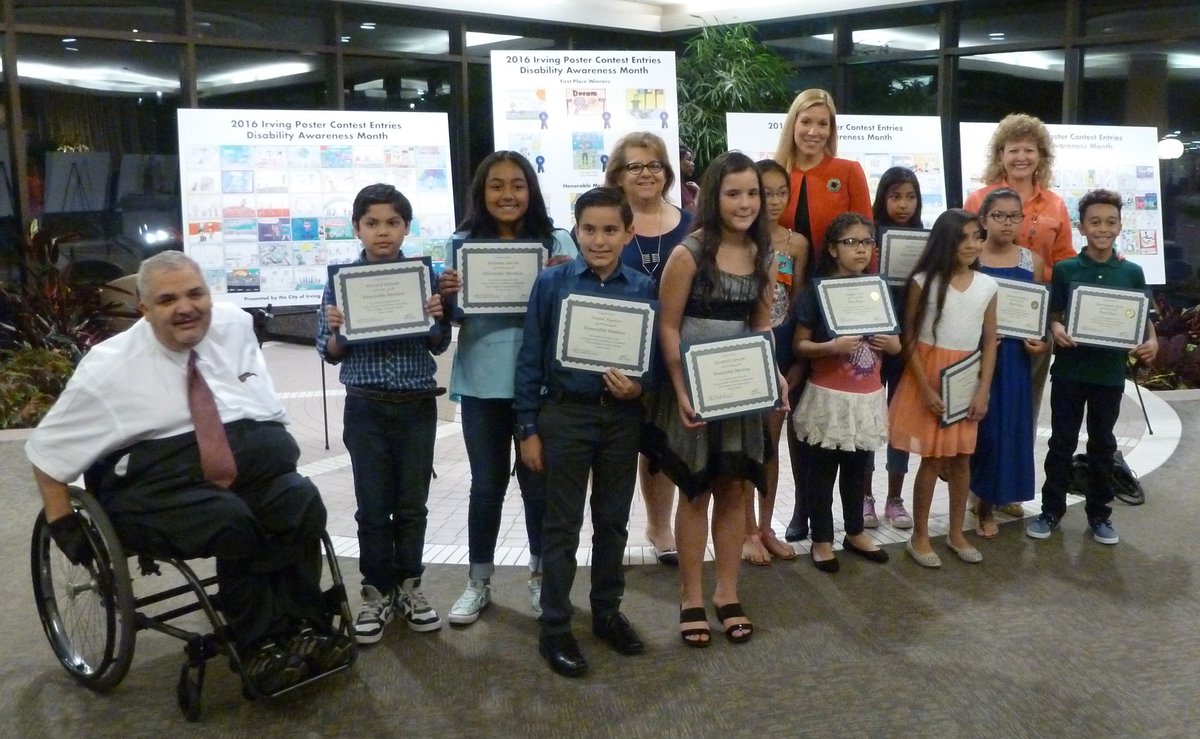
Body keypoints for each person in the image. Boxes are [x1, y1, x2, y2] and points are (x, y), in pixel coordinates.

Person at [28, 251, 349, 694]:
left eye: (195, 294)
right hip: (153, 485)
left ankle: (303, 626)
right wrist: (62, 522)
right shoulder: (108, 367)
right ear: (144, 309)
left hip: (242, 475)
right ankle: (259, 642)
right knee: (230, 520)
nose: (185, 307)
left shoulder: (233, 325)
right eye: (167, 300)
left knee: (300, 501)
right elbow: (47, 451)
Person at [514, 187, 656, 678]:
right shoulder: (551, 284)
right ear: (575, 231)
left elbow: (653, 363)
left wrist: (638, 388)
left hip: (620, 420)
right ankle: (555, 626)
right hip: (566, 416)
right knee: (561, 525)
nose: (599, 240)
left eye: (610, 230)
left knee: (613, 520)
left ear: (628, 233)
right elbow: (530, 359)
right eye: (589, 229)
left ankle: (606, 612)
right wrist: (527, 429)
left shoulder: (643, 288)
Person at [644, 151, 782, 647]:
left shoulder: (764, 254)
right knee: (695, 491)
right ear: (713, 197)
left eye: (753, 194)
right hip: (694, 390)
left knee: (734, 490)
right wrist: (681, 389)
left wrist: (774, 374)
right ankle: (691, 597)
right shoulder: (689, 253)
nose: (745, 203)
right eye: (733, 193)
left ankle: (727, 592)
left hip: (740, 390)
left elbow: (761, 324)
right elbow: (668, 326)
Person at [438, 151, 576, 626]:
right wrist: (448, 297)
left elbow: (578, 310)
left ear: (531, 191)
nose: (507, 194)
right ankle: (478, 581)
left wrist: (565, 277)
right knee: (486, 485)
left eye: (517, 184)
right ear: (481, 192)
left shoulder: (556, 241)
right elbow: (454, 318)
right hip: (483, 382)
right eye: (496, 185)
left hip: (541, 384)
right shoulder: (460, 244)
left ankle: (539, 578)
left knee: (538, 486)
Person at [316, 183, 450, 643]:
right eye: (372, 223)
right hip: (366, 407)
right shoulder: (340, 283)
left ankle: (410, 587)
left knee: (412, 506)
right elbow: (329, 350)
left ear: (406, 228)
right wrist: (338, 330)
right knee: (372, 508)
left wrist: (437, 315)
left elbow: (438, 343)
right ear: (357, 228)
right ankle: (376, 593)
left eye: (393, 222)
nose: (383, 231)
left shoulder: (424, 278)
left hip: (415, 407)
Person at [1026, 189, 1157, 546]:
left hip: (1109, 375)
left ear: (1120, 226)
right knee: (1061, 443)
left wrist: (1153, 341)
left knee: (1103, 446)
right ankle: (1051, 510)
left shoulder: (1131, 272)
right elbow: (1053, 313)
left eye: (1110, 222)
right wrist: (1056, 328)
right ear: (1082, 227)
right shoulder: (1066, 269)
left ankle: (1100, 515)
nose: (1103, 228)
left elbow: (1145, 316)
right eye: (1095, 222)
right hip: (1070, 371)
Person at [772, 88, 871, 543]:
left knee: (843, 401)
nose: (814, 131)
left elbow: (865, 239)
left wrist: (863, 306)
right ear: (793, 124)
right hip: (787, 307)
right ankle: (805, 507)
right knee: (796, 408)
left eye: (823, 123)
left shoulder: (847, 171)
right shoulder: (777, 172)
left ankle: (852, 511)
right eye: (806, 121)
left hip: (839, 306)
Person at [964, 113, 1076, 468]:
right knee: (975, 395)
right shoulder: (978, 199)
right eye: (1013, 150)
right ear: (1001, 155)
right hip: (980, 314)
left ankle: (1010, 480)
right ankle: (972, 478)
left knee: (1024, 401)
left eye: (1029, 150)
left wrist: (1053, 321)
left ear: (1041, 156)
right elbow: (962, 253)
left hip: (1032, 320)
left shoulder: (1055, 205)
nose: (1021, 157)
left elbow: (1064, 263)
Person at [888, 209, 998, 568]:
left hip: (966, 377)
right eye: (963, 237)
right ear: (944, 241)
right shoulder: (923, 282)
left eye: (977, 237)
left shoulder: (988, 285)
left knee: (962, 457)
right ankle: (919, 535)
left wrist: (982, 389)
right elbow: (908, 336)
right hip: (930, 375)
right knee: (932, 459)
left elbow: (990, 341)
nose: (972, 244)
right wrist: (925, 388)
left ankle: (955, 532)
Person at [605, 131, 695, 567]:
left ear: (667, 172)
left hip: (674, 351)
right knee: (617, 444)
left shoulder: (691, 224)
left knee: (663, 444)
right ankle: (610, 528)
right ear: (618, 176)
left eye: (655, 165)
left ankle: (660, 527)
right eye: (635, 166)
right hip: (617, 355)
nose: (646, 173)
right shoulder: (605, 224)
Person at [792, 213, 897, 572]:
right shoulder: (817, 291)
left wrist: (892, 344)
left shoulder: (878, 288)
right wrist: (831, 347)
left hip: (866, 398)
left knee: (857, 470)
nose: (861, 250)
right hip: (828, 396)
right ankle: (821, 539)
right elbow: (800, 344)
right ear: (834, 249)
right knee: (821, 472)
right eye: (851, 242)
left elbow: (897, 343)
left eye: (867, 242)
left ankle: (855, 532)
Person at [970, 188, 1048, 538]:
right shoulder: (971, 256)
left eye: (1014, 216)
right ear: (984, 219)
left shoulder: (1032, 261)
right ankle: (974, 495)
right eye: (998, 216)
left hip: (1014, 359)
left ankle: (993, 500)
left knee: (1006, 430)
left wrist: (1039, 342)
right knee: (978, 431)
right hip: (973, 356)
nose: (1007, 223)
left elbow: (1038, 313)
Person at [742, 159, 807, 565]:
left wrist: (796, 362)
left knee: (769, 444)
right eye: (766, 193)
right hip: (743, 348)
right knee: (745, 445)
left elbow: (797, 304)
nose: (775, 201)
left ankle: (766, 527)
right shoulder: (737, 241)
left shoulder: (796, 244)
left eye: (782, 192)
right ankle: (745, 529)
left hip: (780, 347)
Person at [865, 166, 924, 530]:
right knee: (869, 418)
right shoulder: (869, 237)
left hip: (907, 344)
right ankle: (865, 497)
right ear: (882, 198)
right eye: (895, 196)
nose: (903, 204)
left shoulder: (926, 240)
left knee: (900, 421)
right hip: (871, 343)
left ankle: (895, 498)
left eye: (910, 197)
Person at [679, 144, 700, 214]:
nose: (693, 164)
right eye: (689, 159)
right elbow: (692, 212)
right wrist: (698, 192)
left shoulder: (685, 186)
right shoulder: (679, 187)